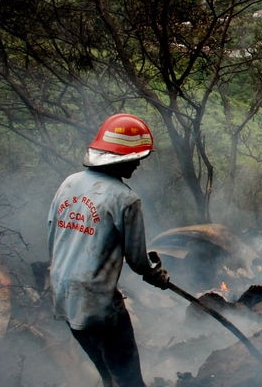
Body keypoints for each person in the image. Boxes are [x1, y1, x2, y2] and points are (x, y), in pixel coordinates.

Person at [48, 113, 171, 387]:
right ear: (120, 158)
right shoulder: (125, 199)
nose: (138, 164)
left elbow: (52, 233)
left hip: (63, 294)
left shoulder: (69, 183)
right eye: (135, 158)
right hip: (98, 303)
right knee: (128, 378)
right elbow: (138, 260)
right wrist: (157, 275)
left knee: (106, 372)